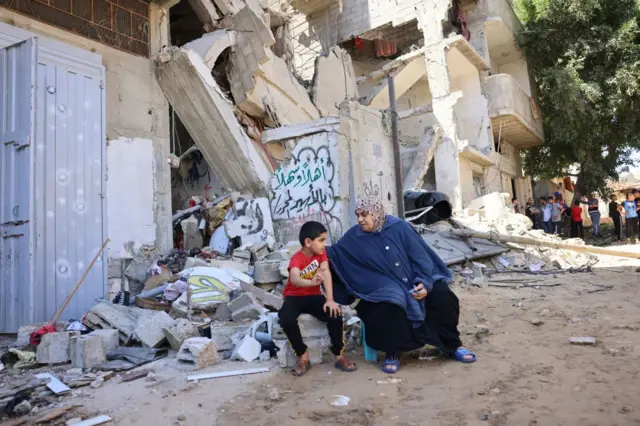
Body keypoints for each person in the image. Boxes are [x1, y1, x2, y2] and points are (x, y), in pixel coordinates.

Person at [326, 197, 476, 374]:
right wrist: (311, 253)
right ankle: (393, 352)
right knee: (389, 303)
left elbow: (421, 258)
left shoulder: (400, 228)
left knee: (442, 295)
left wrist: (424, 283)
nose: (360, 220)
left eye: (364, 215)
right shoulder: (355, 236)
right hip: (385, 287)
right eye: (357, 215)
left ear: (376, 213)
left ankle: (452, 345)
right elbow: (334, 255)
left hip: (415, 278)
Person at [278, 221, 357, 376]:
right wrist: (310, 282)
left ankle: (338, 355)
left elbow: (326, 273)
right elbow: (294, 278)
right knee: (285, 319)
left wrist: (330, 299)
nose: (324, 244)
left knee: (335, 314)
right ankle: (303, 355)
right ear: (308, 242)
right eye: (321, 240)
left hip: (314, 296)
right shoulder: (297, 259)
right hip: (294, 297)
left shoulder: (321, 254)